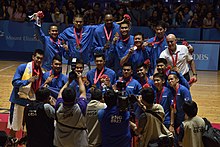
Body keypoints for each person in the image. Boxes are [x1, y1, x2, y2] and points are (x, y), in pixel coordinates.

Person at [7, 49, 44, 143]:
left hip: (31, 101)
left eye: (41, 59)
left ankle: (25, 141)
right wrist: (27, 81)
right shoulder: (23, 67)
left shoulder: (41, 71)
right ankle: (11, 141)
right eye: (37, 58)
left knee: (29, 125)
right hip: (19, 100)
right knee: (14, 124)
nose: (39, 60)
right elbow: (14, 82)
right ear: (33, 57)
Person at [54, 71, 88, 147]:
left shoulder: (59, 106)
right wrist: (79, 79)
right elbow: (83, 92)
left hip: (61, 143)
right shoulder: (80, 107)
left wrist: (68, 82)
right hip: (78, 143)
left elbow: (60, 93)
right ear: (75, 97)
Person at [167, 71, 192, 146]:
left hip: (184, 121)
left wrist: (184, 124)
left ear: (177, 79)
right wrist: (172, 124)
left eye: (172, 79)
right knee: (177, 141)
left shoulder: (183, 90)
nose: (170, 81)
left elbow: (189, 107)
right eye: (168, 80)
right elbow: (172, 107)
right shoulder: (172, 91)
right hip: (177, 119)